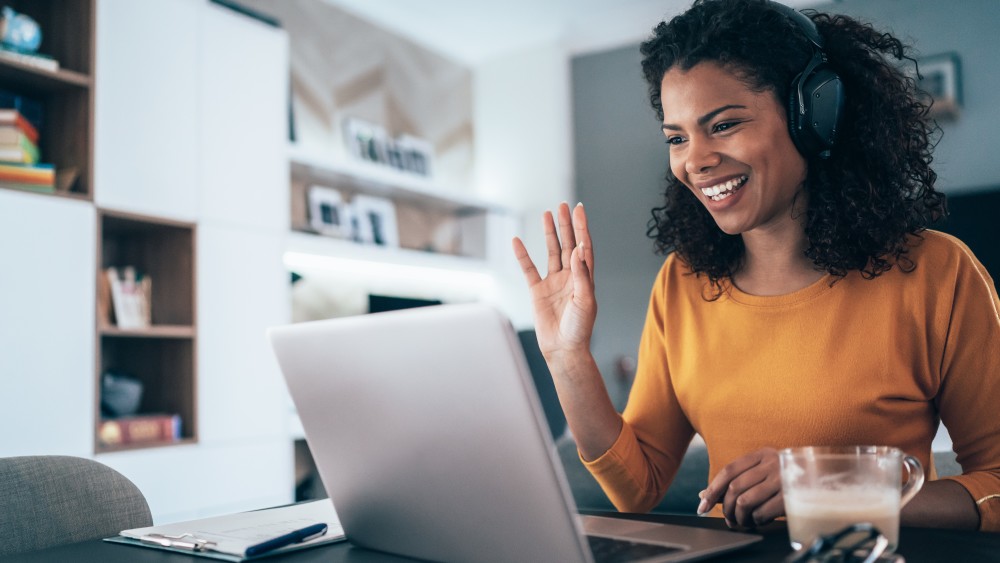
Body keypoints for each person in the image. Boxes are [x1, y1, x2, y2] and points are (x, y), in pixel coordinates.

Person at [511, 0, 1000, 533]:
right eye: (677, 137)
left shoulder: (936, 273)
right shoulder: (682, 283)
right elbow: (637, 487)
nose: (694, 161)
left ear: (813, 116)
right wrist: (567, 357)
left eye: (723, 125)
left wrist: (835, 494)